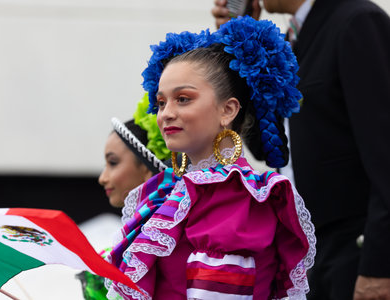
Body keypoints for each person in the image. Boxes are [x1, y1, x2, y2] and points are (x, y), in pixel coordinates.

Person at [105, 16, 316, 300]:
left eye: (183, 99)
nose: (165, 113)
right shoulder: (168, 189)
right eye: (161, 102)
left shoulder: (239, 199)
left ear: (227, 110)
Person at [212, 0, 390, 299]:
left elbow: (385, 155)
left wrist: (380, 267)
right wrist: (245, 40)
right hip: (312, 249)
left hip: (356, 249)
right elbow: (270, 147)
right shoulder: (298, 34)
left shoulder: (357, 20)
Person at [80, 98, 171, 300]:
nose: (102, 178)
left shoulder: (163, 239)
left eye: (113, 163)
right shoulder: (126, 243)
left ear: (148, 168)